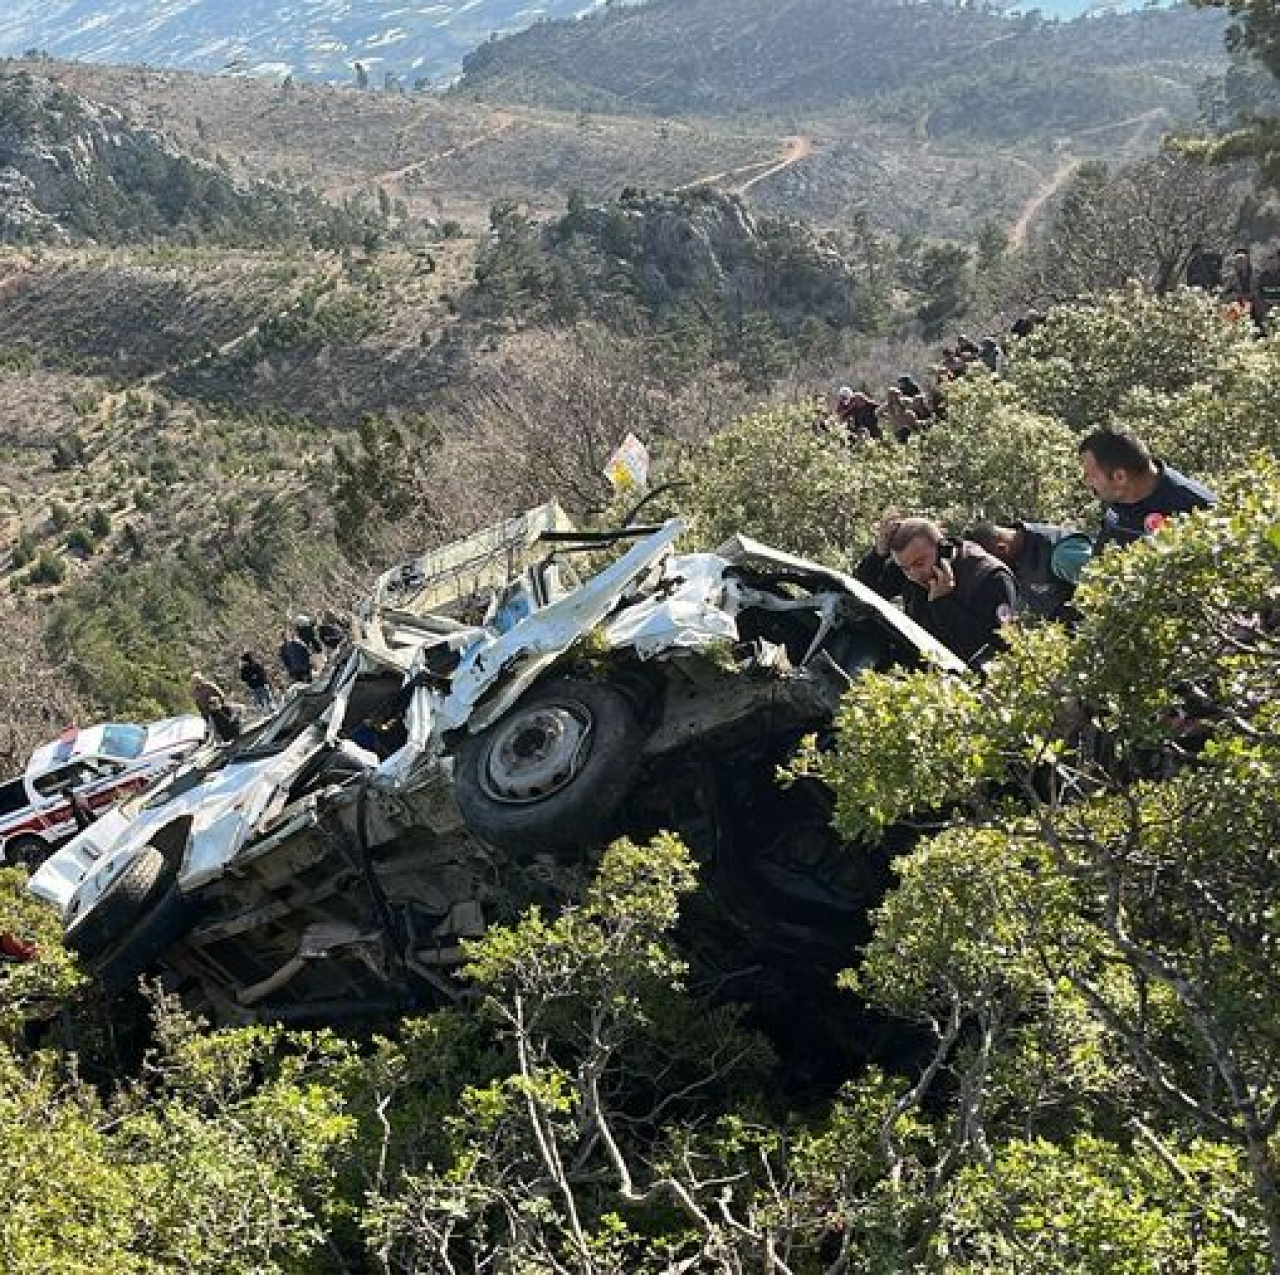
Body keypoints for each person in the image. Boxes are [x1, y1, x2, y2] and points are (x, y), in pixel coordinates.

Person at [854, 515, 1019, 665]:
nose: (915, 575)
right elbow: (863, 594)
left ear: (942, 549)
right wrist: (877, 555)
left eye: (920, 563)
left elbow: (996, 650)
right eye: (905, 568)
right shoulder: (910, 570)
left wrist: (943, 605)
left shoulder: (989, 577)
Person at [1077, 429, 1216, 553]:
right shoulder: (1119, 495)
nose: (1086, 481)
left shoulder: (1197, 508)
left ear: (1120, 477)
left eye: (1090, 475)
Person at [967, 519, 1092, 621]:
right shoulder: (1017, 567)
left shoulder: (1062, 556)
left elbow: (1106, 585)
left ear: (1002, 548)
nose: (994, 569)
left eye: (991, 563)